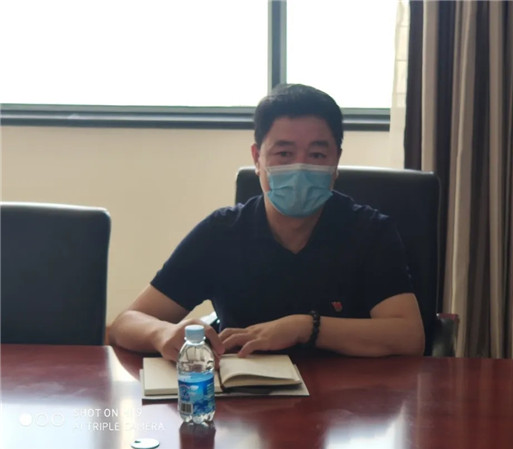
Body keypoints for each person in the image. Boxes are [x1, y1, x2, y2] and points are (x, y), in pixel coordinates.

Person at [109, 84, 425, 361]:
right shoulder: (222, 233)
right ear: (257, 158)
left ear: (336, 161)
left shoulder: (370, 231)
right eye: (284, 153)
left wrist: (305, 327)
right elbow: (126, 323)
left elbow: (409, 337)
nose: (300, 168)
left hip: (350, 401)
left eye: (317, 155)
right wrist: (163, 333)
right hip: (246, 400)